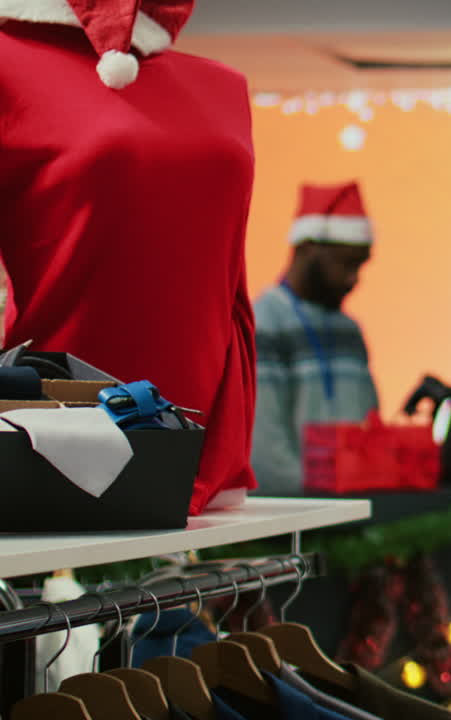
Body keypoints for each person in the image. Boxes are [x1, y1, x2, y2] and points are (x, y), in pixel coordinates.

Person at [0, 0, 257, 514]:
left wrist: (228, 435)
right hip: (51, 432)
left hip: (191, 433)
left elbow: (230, 287)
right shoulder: (9, 67)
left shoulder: (224, 87)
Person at [251, 181, 379, 495]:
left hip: (352, 516)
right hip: (296, 520)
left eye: (360, 265)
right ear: (307, 248)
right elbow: (265, 449)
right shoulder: (264, 322)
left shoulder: (350, 330)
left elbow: (369, 429)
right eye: (346, 263)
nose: (354, 278)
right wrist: (318, 510)